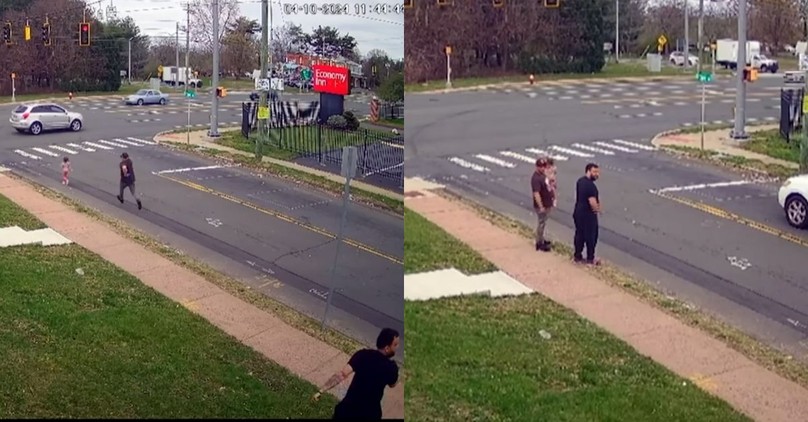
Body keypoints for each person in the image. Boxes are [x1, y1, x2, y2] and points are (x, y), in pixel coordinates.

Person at [312, 328, 400, 420]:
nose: (397, 347)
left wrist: (321, 390)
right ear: (386, 348)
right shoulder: (391, 368)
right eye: (395, 345)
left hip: (347, 411)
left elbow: (342, 374)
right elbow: (393, 384)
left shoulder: (362, 355)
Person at [573, 163, 601, 265]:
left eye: (598, 172)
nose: (597, 174)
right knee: (591, 236)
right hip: (588, 215)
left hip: (578, 212)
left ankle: (577, 256)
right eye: (595, 172)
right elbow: (592, 202)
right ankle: (590, 258)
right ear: (588, 171)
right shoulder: (590, 186)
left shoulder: (580, 181)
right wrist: (597, 210)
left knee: (579, 235)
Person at [531, 157, 555, 252]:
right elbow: (536, 193)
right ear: (536, 167)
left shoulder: (543, 175)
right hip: (542, 205)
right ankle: (539, 243)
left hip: (547, 203)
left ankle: (541, 239)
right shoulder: (536, 178)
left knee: (543, 223)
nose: (543, 168)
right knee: (541, 223)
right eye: (540, 167)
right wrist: (541, 206)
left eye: (544, 166)